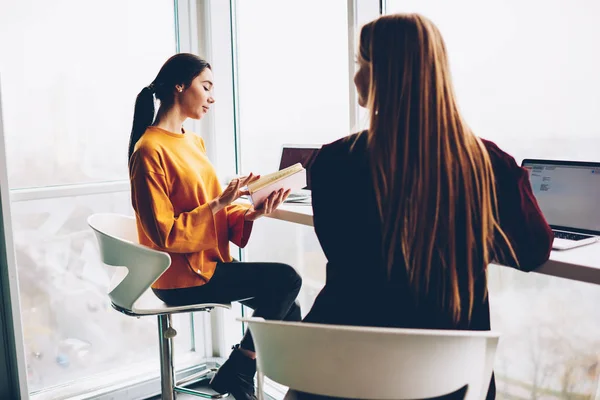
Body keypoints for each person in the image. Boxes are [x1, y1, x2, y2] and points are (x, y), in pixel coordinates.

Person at [298, 14, 553, 400]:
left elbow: (340, 252)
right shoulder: (486, 162)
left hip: (346, 369)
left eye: (362, 66)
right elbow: (532, 251)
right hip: (450, 378)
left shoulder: (334, 162)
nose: (355, 78)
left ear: (387, 75)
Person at [128, 53, 302, 400]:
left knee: (289, 305)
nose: (212, 97)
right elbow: (164, 233)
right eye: (205, 86)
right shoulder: (148, 151)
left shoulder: (192, 141)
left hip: (207, 263)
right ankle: (239, 370)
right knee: (286, 280)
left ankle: (259, 377)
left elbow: (206, 210)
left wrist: (250, 212)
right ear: (180, 85)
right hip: (177, 275)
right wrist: (222, 202)